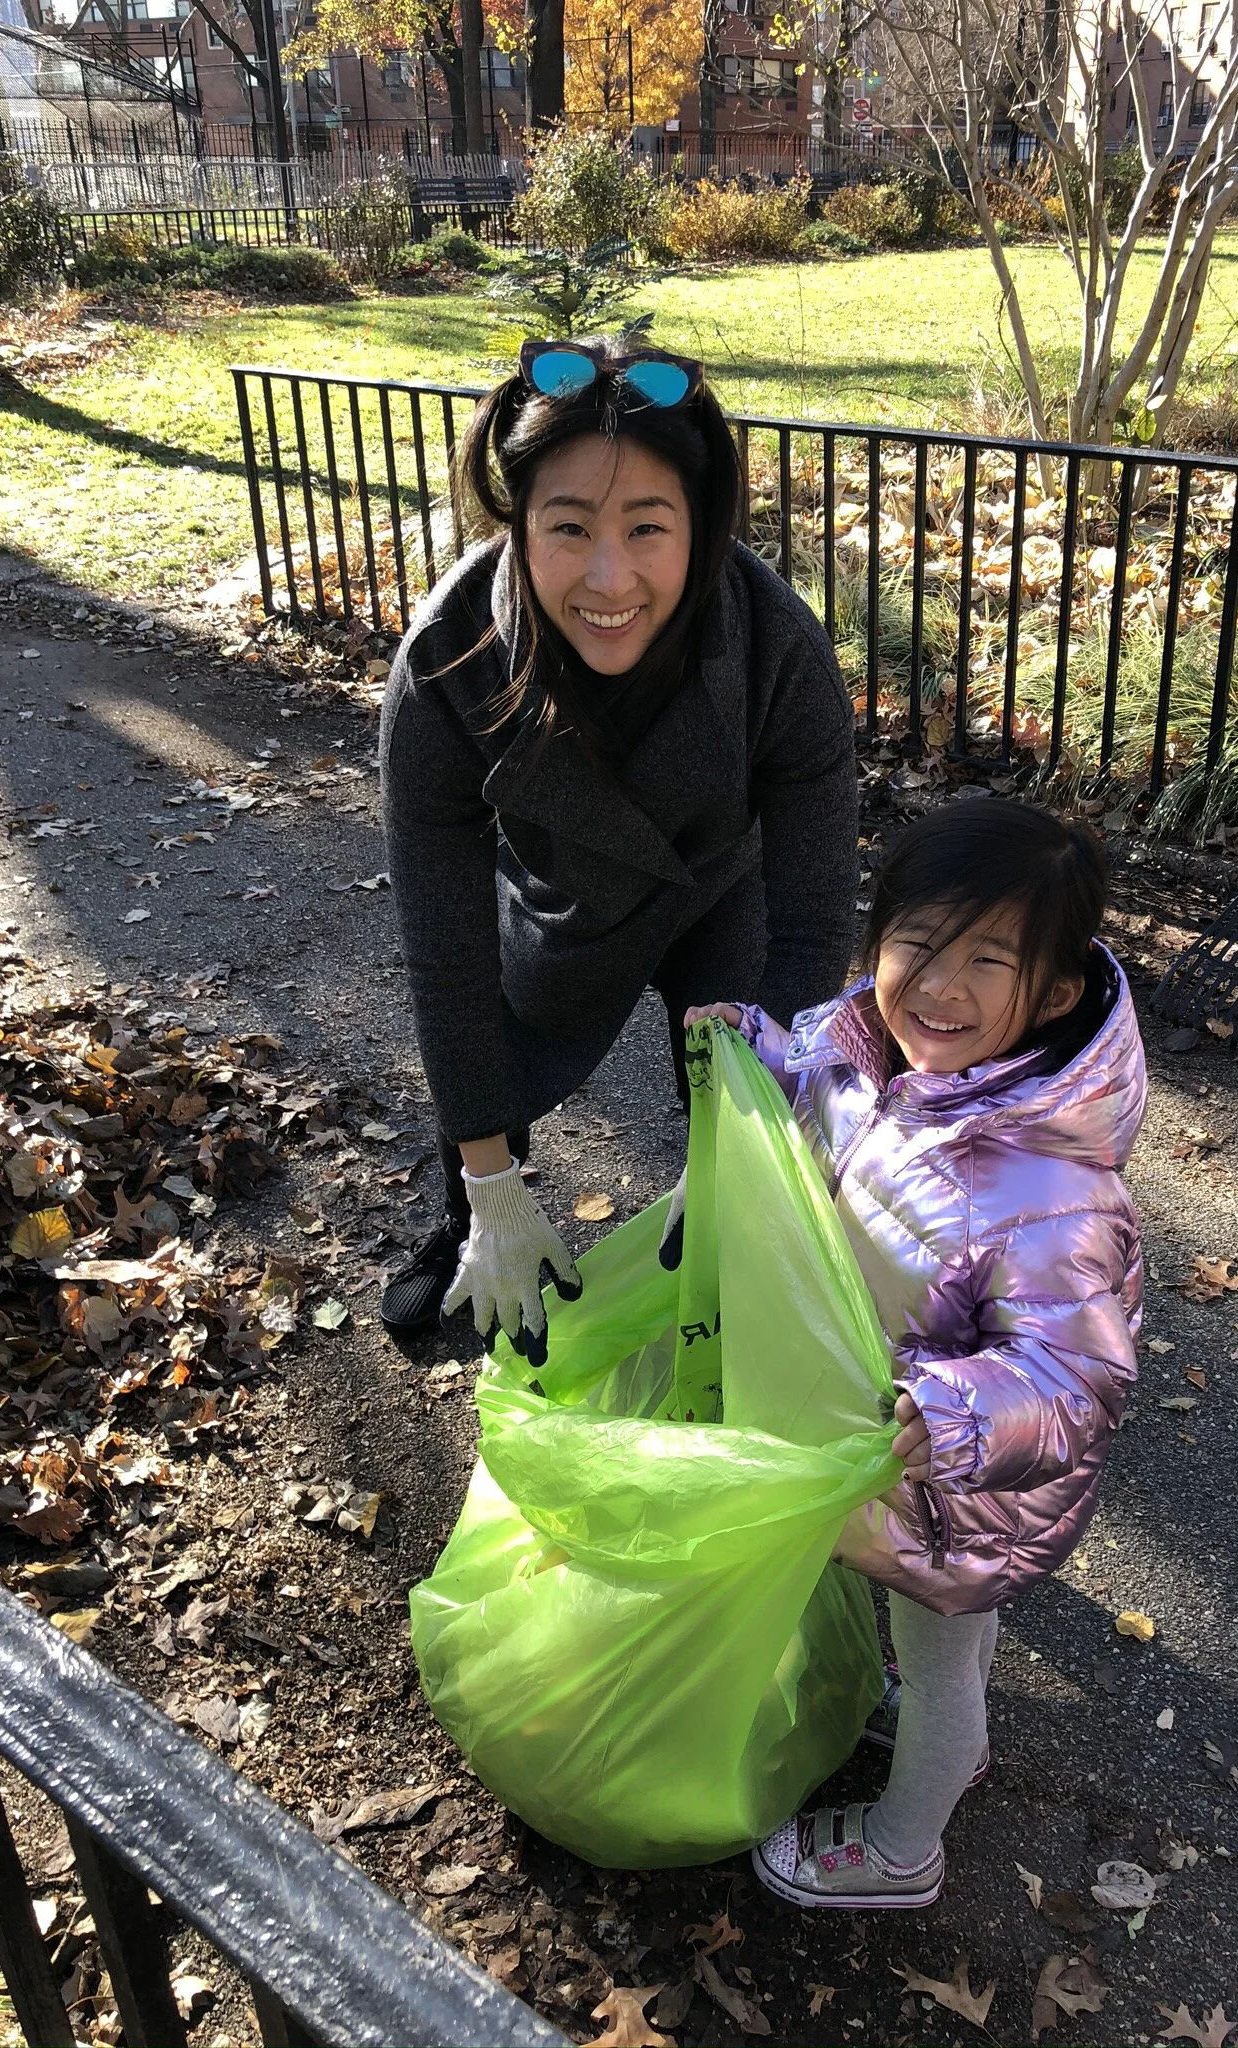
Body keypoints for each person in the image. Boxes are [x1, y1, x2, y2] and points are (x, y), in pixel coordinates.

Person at [686, 796, 1147, 1909]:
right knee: (946, 1646)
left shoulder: (1046, 1184)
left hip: (955, 1485)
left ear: (1052, 994)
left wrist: (956, 1417)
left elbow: (1076, 1373)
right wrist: (756, 1050)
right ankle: (951, 1744)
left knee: (940, 1658)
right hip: (898, 1454)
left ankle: (903, 1848)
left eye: (988, 958)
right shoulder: (875, 1056)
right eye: (919, 942)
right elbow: (820, 1104)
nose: (939, 984)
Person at [378, 336, 859, 1358]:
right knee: (491, 1055)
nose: (610, 576)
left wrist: (749, 1142)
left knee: (739, 1081)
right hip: (565, 897)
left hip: (726, 885)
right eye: (569, 527)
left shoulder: (777, 641)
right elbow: (444, 945)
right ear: (516, 524)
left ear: (703, 526)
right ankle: (474, 1226)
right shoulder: (448, 658)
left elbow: (816, 915)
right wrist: (489, 1175)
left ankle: (736, 1215)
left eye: (649, 527)